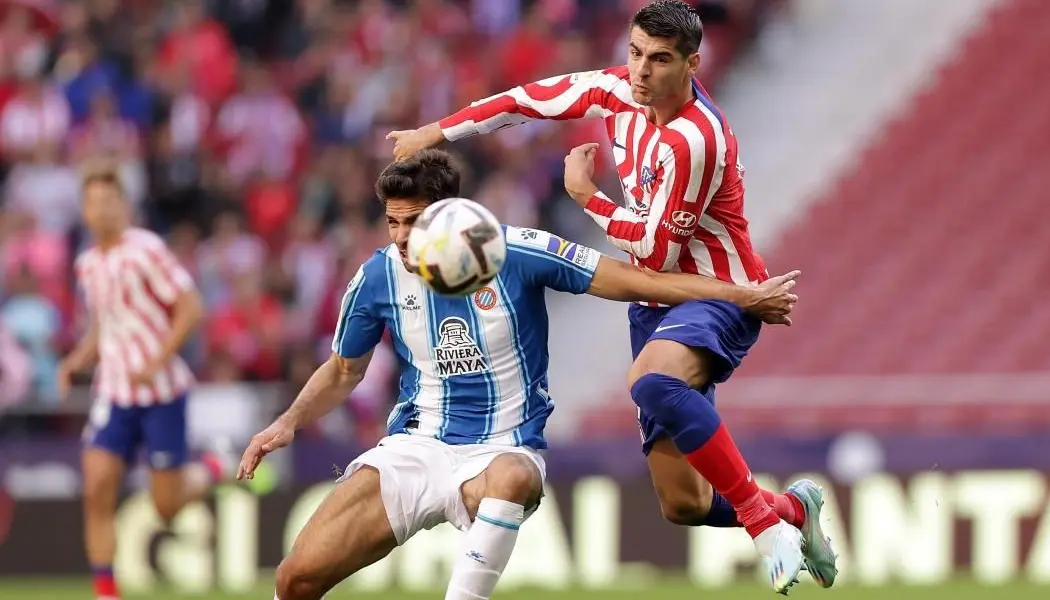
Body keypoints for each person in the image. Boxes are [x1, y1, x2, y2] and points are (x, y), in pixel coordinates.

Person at [384, 0, 837, 591]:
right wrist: (435, 130)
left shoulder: (695, 140)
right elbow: (527, 100)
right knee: (685, 504)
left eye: (660, 60)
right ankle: (795, 511)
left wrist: (586, 196)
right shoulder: (617, 90)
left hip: (721, 292)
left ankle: (762, 524)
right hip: (655, 303)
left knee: (653, 382)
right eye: (636, 54)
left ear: (692, 63)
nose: (642, 71)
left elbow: (657, 254)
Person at [237, 150, 802, 600]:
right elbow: (343, 369)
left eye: (414, 222)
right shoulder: (379, 276)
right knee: (295, 581)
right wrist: (288, 422)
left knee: (511, 480)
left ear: (448, 215)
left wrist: (738, 294)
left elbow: (636, 282)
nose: (402, 237)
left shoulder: (516, 250)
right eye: (392, 222)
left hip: (505, 450)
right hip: (415, 447)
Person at [59, 163, 231, 600]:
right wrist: (75, 360)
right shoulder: (88, 264)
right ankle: (105, 591)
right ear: (84, 209)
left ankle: (212, 467)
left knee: (166, 506)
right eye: (94, 202)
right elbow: (105, 325)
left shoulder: (146, 250)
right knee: (97, 486)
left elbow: (191, 307)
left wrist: (157, 359)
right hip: (113, 392)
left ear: (124, 205)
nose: (102, 210)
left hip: (161, 393)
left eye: (109, 201)